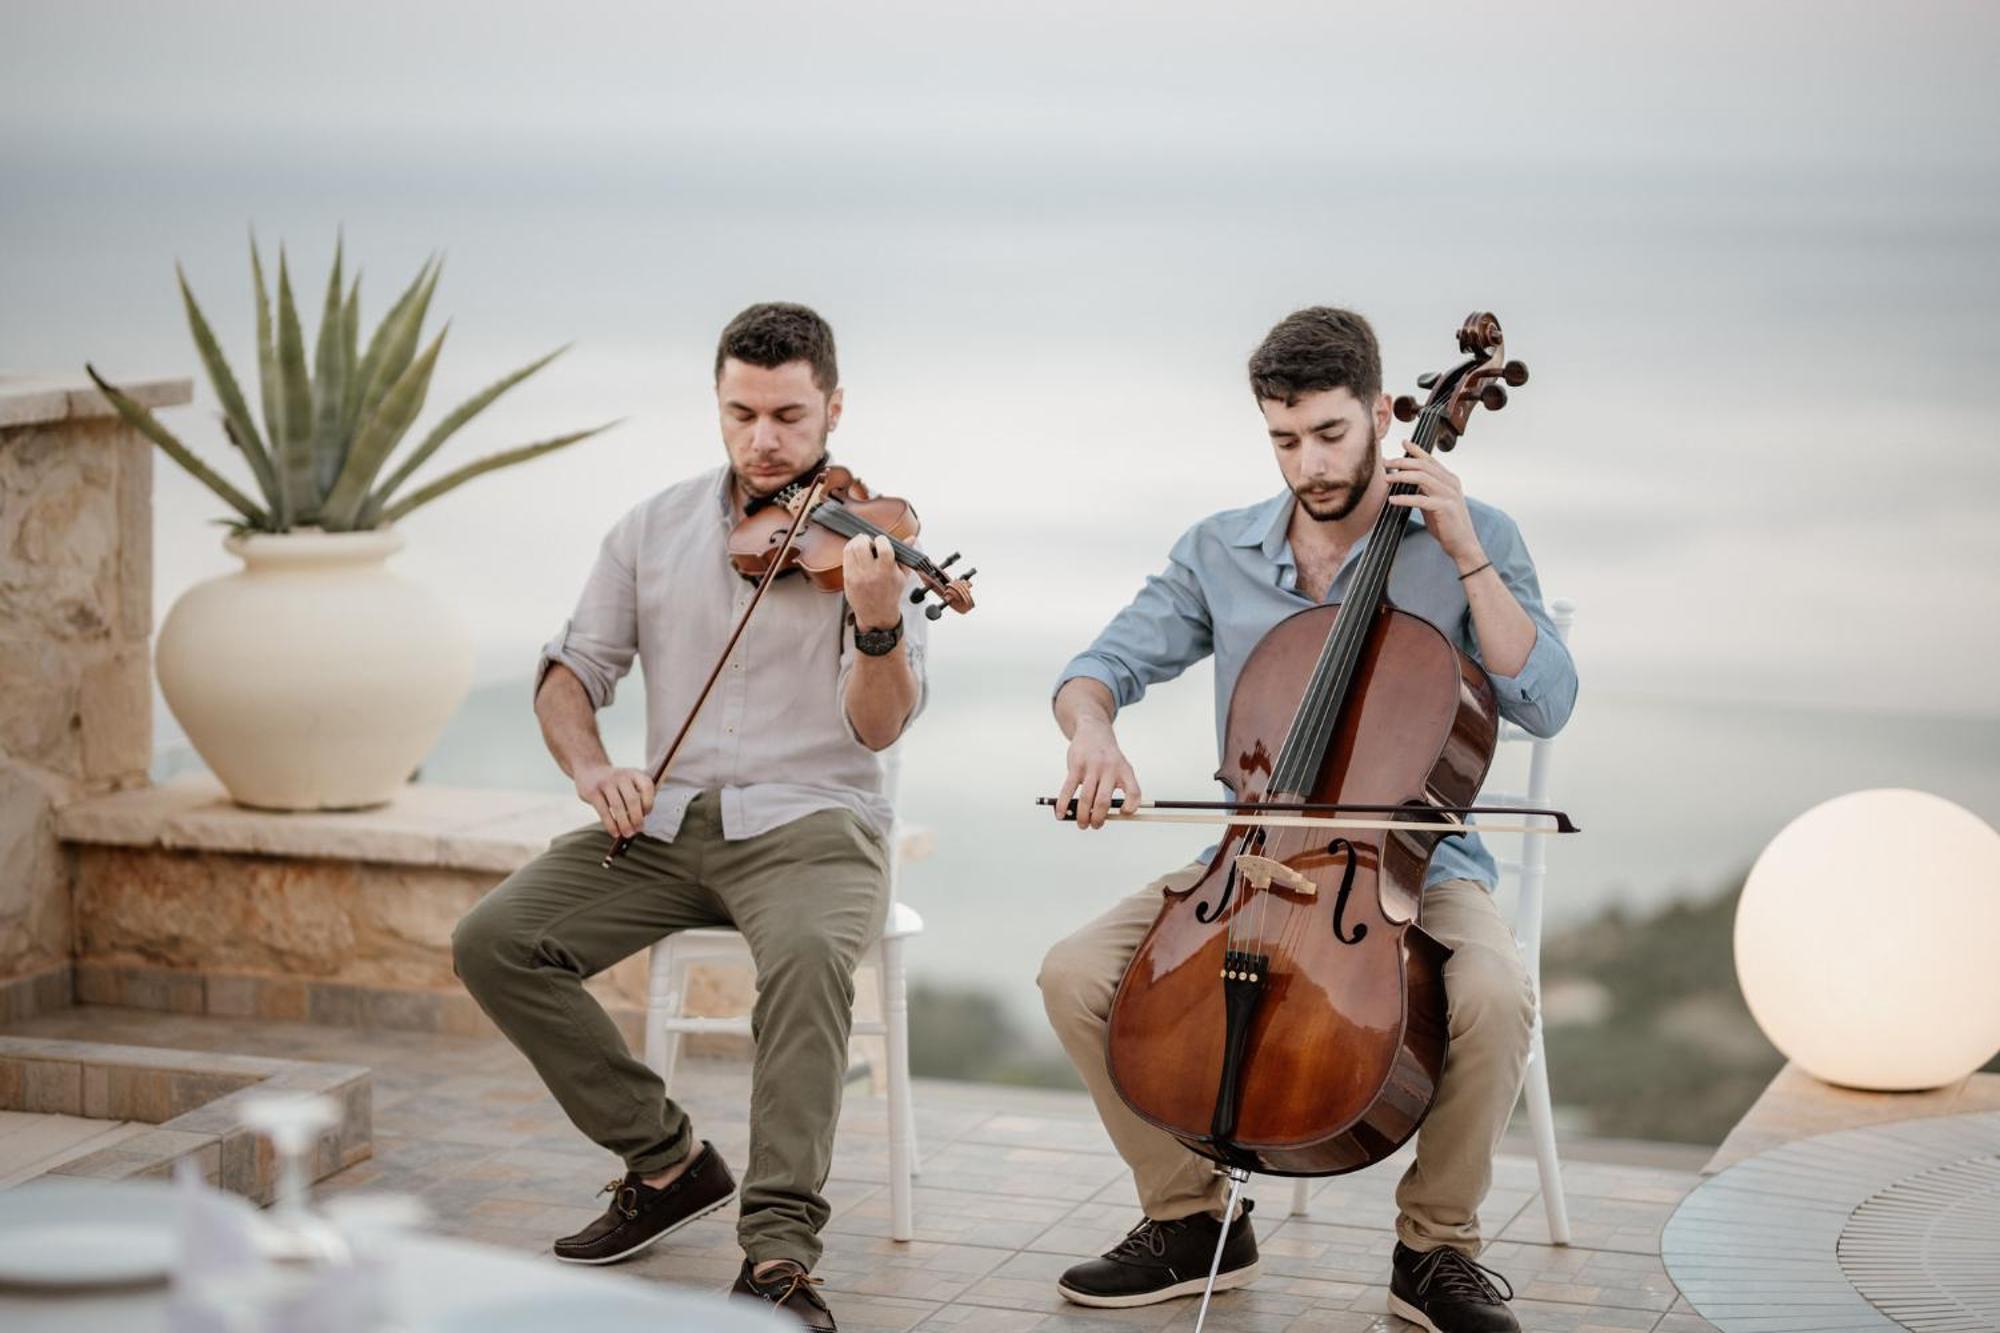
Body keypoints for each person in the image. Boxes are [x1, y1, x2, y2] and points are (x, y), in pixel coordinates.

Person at [1038, 307, 1577, 1333]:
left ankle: (1433, 1250)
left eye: (1329, 434)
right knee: (1071, 973)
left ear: (1382, 412)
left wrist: (1462, 552)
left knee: (1495, 997)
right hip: (1244, 856)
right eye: (1283, 440)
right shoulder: (1217, 551)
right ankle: (1191, 1220)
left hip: (1416, 860)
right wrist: (1090, 732)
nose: (1308, 464)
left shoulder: (1476, 534)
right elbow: (1093, 669)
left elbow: (1543, 701)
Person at [452, 302, 928, 1332]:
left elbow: (878, 728)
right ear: (717, 404)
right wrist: (591, 768)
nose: (764, 440)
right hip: (666, 824)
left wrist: (879, 625)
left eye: (790, 417)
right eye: (741, 412)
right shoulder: (651, 528)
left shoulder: (869, 543)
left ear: (832, 407)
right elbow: (570, 671)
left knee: (804, 964)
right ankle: (666, 1162)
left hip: (816, 822)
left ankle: (776, 1255)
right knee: (494, 939)